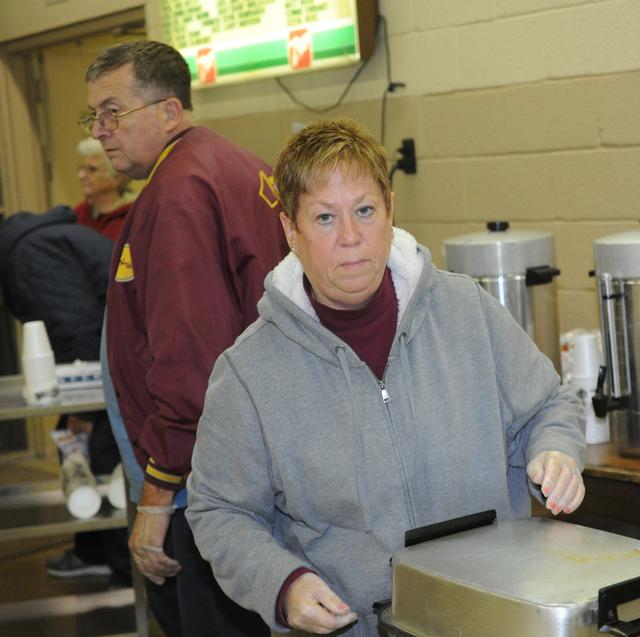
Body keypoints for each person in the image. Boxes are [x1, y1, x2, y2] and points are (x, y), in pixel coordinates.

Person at [186, 118, 587, 636]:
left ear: (391, 211)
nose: (351, 238)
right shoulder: (248, 373)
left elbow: (549, 406)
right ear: (290, 230)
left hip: (496, 615)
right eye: (325, 218)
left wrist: (555, 449)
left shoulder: (467, 310)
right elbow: (220, 510)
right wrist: (283, 585)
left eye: (365, 211)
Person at [82, 39, 288, 636]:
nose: (100, 129)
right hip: (254, 466)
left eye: (112, 112)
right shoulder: (238, 165)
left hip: (203, 484)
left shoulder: (176, 194)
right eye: (93, 115)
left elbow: (192, 365)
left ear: (169, 112)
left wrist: (156, 498)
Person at [0, 205, 131, 585]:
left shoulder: (29, 255)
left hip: (112, 366)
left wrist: (82, 414)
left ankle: (125, 574)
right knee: (75, 446)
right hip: (110, 358)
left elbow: (81, 333)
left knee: (95, 453)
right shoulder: (29, 245)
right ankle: (94, 554)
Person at [74, 136, 134, 241]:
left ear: (117, 178)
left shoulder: (131, 219)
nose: (82, 175)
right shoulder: (77, 215)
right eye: (82, 168)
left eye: (92, 170)